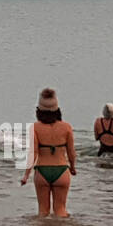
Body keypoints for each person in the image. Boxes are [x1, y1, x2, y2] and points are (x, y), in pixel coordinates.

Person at [21, 88, 76, 216]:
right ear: (57, 109)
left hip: (42, 171)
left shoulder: (35, 127)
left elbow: (32, 153)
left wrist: (26, 175)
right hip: (61, 170)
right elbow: (71, 152)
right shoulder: (66, 127)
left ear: (39, 110)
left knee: (43, 211)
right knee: (61, 210)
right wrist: (72, 168)